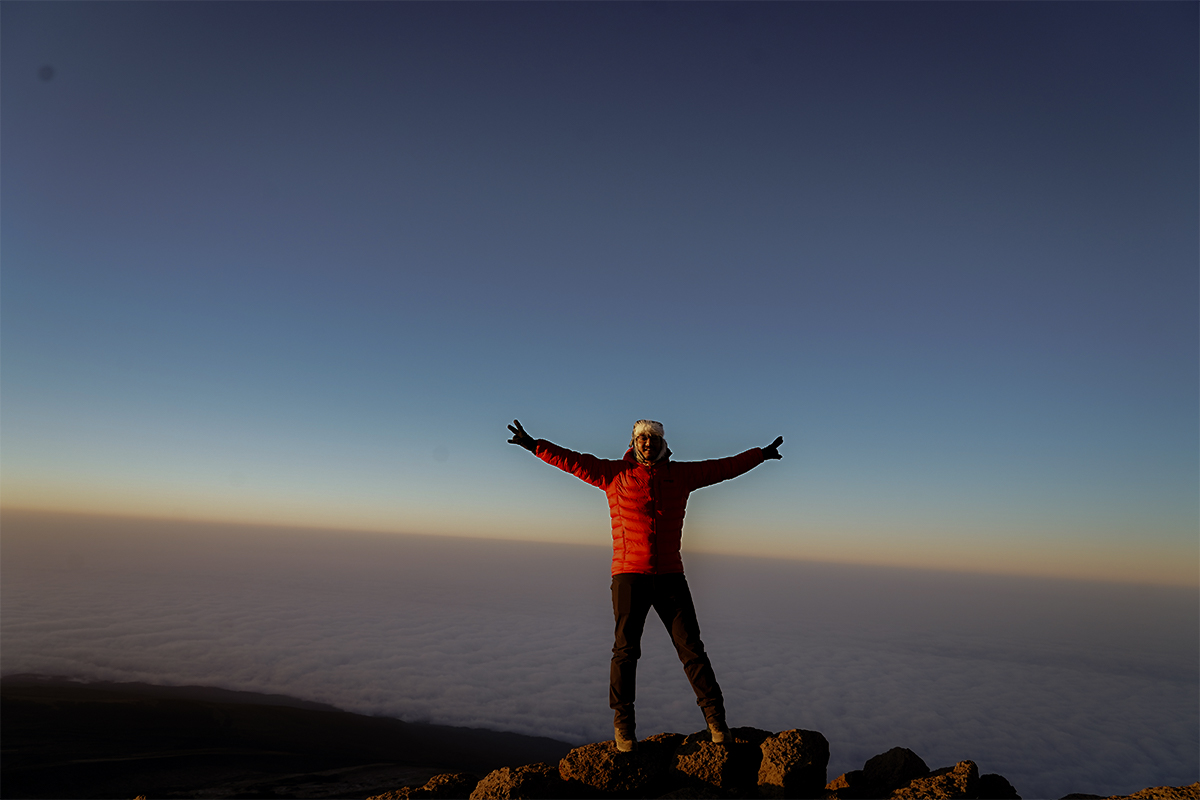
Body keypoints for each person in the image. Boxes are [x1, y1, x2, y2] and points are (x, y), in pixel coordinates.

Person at [506, 418, 783, 752]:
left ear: (662, 443)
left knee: (692, 649)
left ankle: (717, 725)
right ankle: (624, 730)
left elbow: (721, 468)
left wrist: (761, 455)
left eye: (652, 438)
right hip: (629, 576)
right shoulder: (614, 474)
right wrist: (535, 445)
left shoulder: (680, 475)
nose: (647, 443)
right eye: (642, 438)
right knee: (626, 652)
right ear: (634, 442)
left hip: (670, 576)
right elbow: (573, 461)